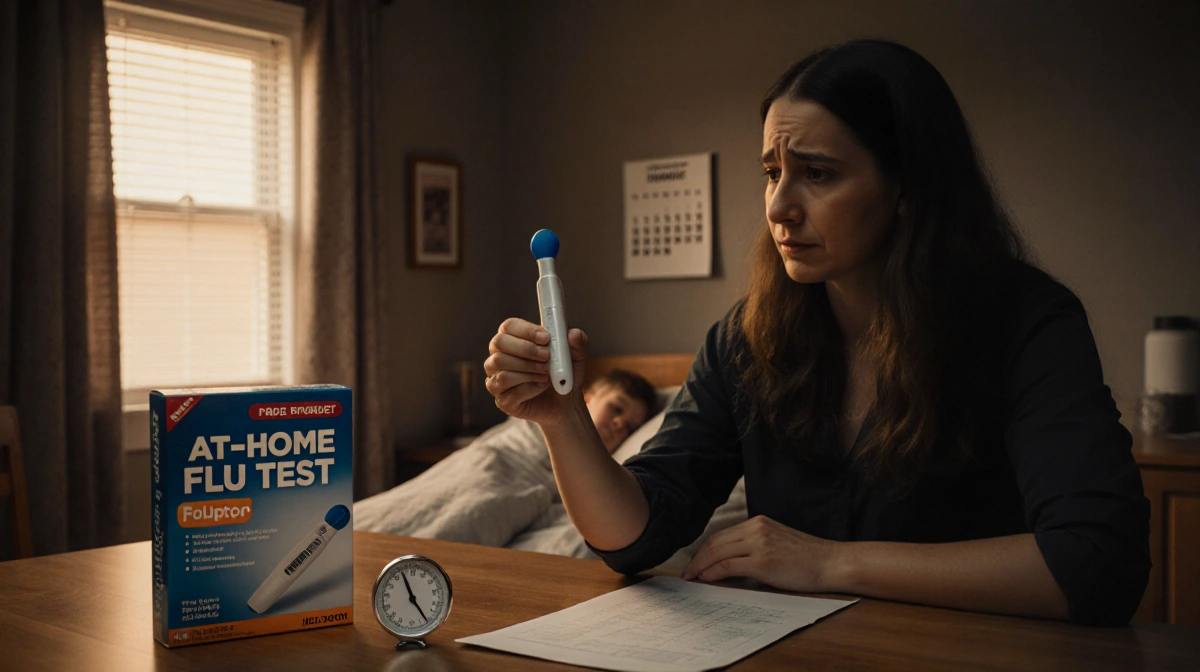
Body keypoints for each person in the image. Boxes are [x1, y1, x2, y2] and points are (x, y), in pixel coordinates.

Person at [484, 39, 1150, 626]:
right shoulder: (743, 341)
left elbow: (1097, 563)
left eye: (818, 174)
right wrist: (564, 421)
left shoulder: (1028, 324)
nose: (778, 206)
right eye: (772, 172)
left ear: (908, 187)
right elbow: (638, 535)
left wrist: (832, 564)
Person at [353, 369, 655, 547]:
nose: (619, 424)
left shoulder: (601, 474)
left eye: (629, 427)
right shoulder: (534, 418)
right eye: (617, 408)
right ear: (586, 396)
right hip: (495, 462)